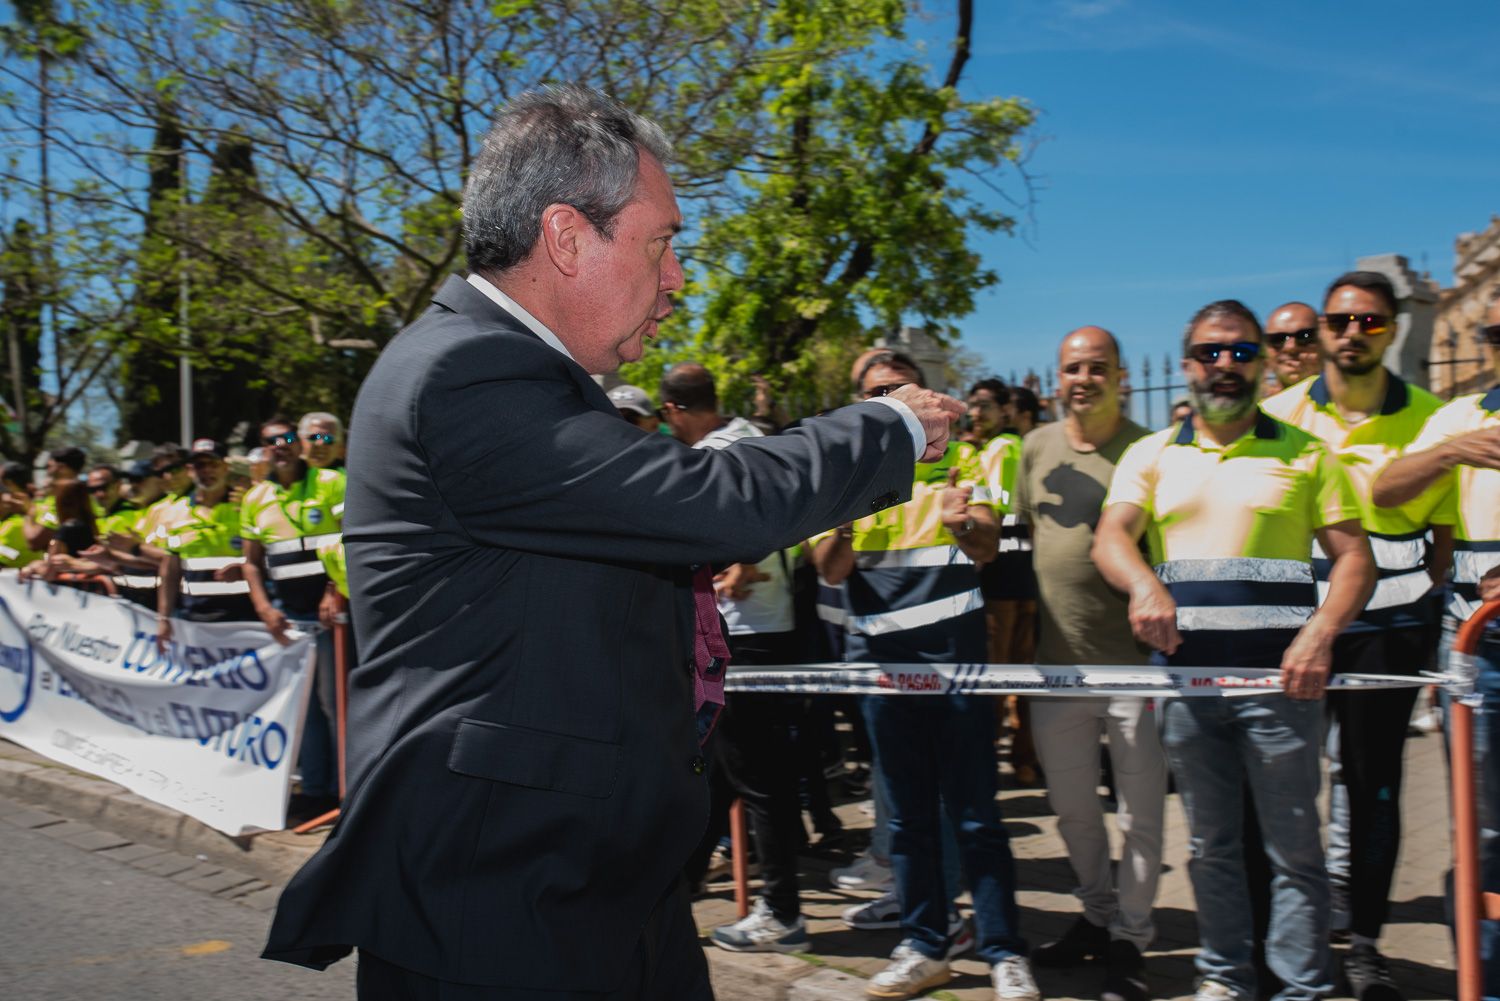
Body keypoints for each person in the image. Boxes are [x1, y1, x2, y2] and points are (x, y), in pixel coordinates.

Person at [262, 84, 962, 1001]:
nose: (676, 279)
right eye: (662, 241)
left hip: (587, 880)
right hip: (505, 894)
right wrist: (888, 428)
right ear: (565, 236)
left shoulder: (523, 378)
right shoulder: (465, 372)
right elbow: (711, 501)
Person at [1093, 299, 1374, 1001]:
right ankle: (1225, 976)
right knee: (1211, 846)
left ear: (1262, 362)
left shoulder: (1309, 453)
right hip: (1189, 690)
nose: (1226, 366)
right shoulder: (1150, 455)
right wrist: (1143, 587)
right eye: (1211, 354)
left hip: (1285, 686)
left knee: (1295, 851)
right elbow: (1111, 537)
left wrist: (1319, 633)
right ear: (1188, 365)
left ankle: (1302, 986)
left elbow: (1355, 561)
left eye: (1242, 353)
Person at [813, 350, 1040, 1001]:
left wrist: (964, 520)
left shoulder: (964, 461)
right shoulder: (846, 473)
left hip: (959, 667)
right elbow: (829, 568)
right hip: (884, 672)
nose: (889, 399)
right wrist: (854, 506)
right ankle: (924, 942)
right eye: (875, 393)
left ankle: (1002, 948)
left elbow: (988, 547)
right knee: (908, 819)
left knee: (975, 815)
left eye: (898, 388)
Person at [1260, 272, 1450, 999]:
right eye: (1336, 321)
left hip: (1390, 629)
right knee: (1282, 783)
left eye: (1369, 321)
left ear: (1393, 327)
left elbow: (1445, 534)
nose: (1349, 334)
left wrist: (1417, 599)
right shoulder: (1274, 413)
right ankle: (1296, 934)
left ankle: (1365, 942)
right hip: (1290, 625)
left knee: (1373, 788)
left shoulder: (1435, 417)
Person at [1016, 327, 1162, 1001]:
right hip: (1056, 667)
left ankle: (1132, 938)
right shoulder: (1035, 447)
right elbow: (1025, 539)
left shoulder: (1149, 449)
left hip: (1136, 667)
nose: (1084, 377)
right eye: (1073, 366)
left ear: (1121, 376)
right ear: (1057, 378)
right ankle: (1096, 916)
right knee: (1072, 809)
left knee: (1140, 814)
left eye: (1097, 366)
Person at [656, 362, 812, 954]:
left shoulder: (721, 452)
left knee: (759, 780)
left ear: (672, 411)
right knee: (715, 772)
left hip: (748, 636)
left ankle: (782, 913)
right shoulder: (753, 437)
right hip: (752, 632)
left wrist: (749, 557)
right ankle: (680, 886)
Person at [1373, 286, 1500, 997]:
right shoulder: (1464, 417)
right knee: (1482, 832)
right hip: (1481, 654)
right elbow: (1386, 491)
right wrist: (1450, 450)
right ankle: (1484, 979)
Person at [241, 414, 346, 821]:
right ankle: (317, 791)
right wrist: (265, 608)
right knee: (305, 708)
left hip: (332, 615)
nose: (280, 445)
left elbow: (352, 537)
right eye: (271, 441)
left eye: (287, 438)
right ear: (264, 448)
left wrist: (335, 589)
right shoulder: (254, 497)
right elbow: (251, 562)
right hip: (287, 617)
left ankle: (347, 793)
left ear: (297, 443)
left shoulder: (331, 483)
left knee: (335, 704)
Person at [156, 439, 254, 644]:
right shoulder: (175, 512)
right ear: (190, 470)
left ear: (225, 467)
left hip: (244, 621)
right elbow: (170, 569)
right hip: (193, 622)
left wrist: (243, 568)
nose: (207, 471)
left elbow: (265, 555)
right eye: (200, 465)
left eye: (213, 464)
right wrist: (163, 617)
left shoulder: (246, 505)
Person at [1263, 302, 1322, 394]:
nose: (1290, 347)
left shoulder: (1348, 403)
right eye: (1277, 339)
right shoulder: (1255, 407)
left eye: (1305, 336)